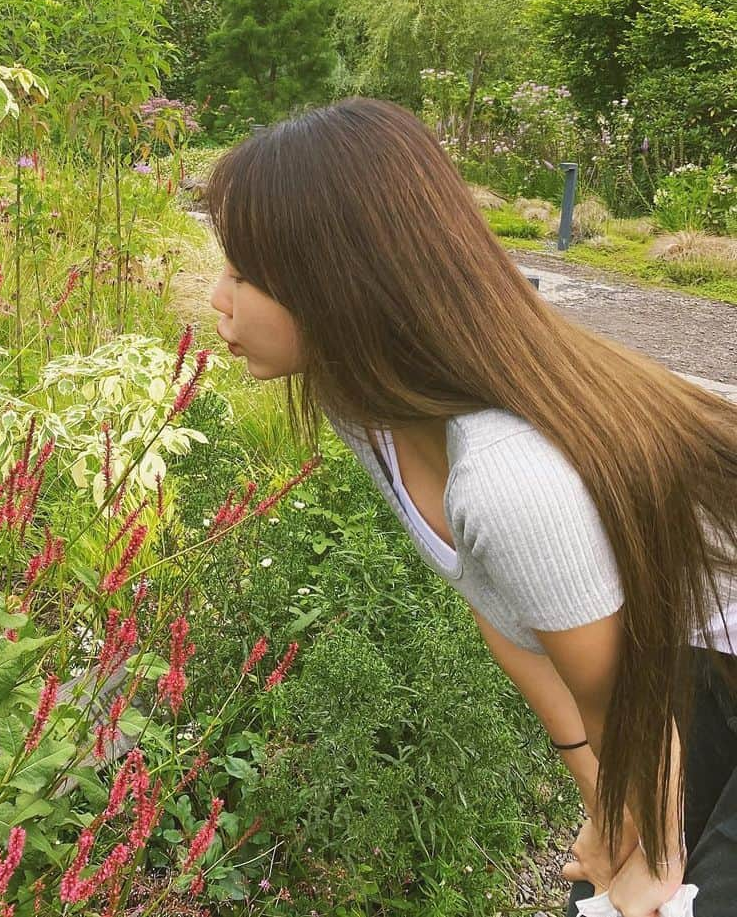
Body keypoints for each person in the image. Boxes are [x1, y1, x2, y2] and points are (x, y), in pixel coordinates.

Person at [206, 98, 737, 917]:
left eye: (243, 273)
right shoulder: (366, 406)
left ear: (337, 287)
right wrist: (601, 800)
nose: (217, 298)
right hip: (679, 645)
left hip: (674, 662)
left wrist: (647, 862)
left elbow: (630, 702)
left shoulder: (508, 475)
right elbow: (497, 601)